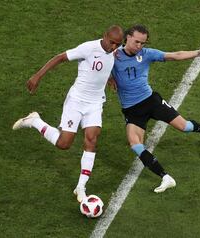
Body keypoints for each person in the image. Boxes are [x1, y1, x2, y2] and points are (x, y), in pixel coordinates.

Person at [13, 25, 124, 202]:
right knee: (64, 144)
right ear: (104, 36)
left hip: (95, 103)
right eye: (112, 43)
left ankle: (81, 188)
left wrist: (109, 77)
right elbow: (60, 58)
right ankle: (35, 121)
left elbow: (102, 66)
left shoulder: (114, 52)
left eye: (118, 44)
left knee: (92, 139)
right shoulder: (88, 48)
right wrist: (37, 76)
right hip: (76, 101)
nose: (114, 47)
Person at [109, 24, 200, 193]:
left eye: (143, 43)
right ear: (127, 38)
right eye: (137, 42)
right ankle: (165, 177)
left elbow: (175, 55)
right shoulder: (112, 56)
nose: (139, 46)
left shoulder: (146, 54)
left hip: (151, 101)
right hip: (132, 109)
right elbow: (97, 70)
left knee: (185, 127)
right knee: (135, 143)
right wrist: (109, 78)